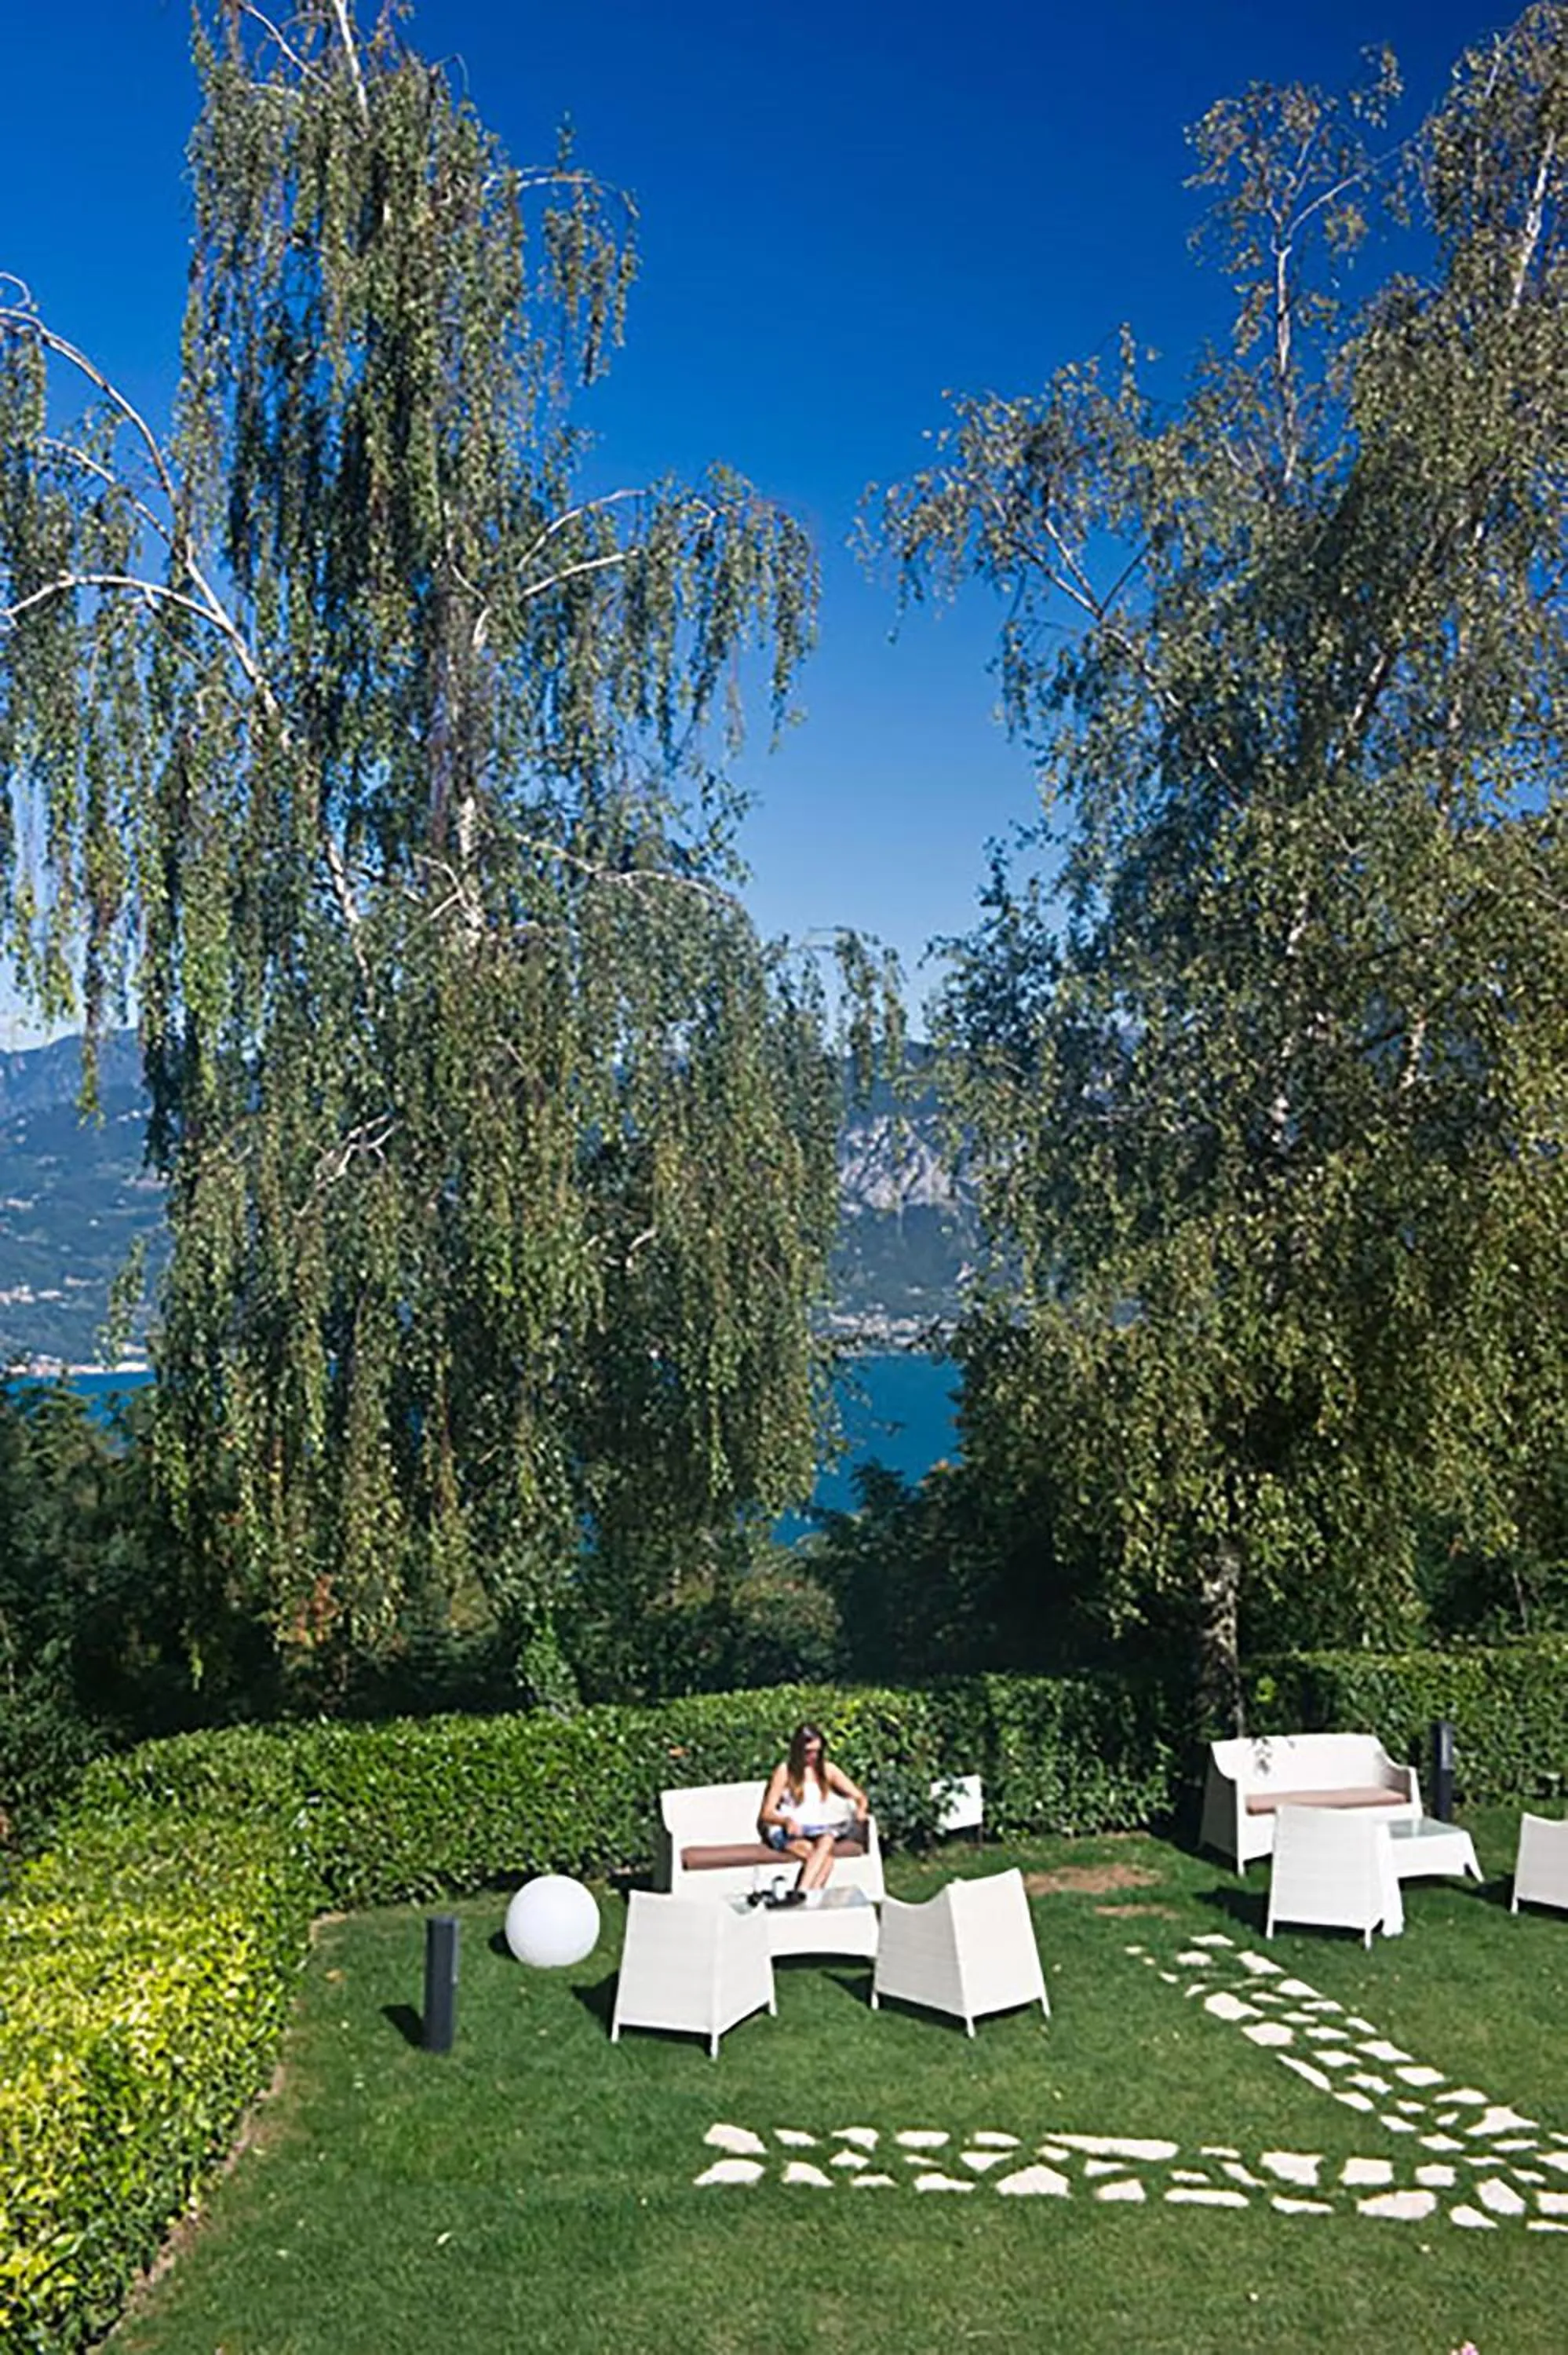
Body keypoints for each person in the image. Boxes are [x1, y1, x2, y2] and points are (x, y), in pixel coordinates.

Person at [757, 1722, 869, 1900]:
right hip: (788, 1830)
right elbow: (767, 1813)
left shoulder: (827, 1770)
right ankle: (808, 1901)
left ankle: (802, 1894)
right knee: (825, 1860)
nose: (813, 1757)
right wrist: (786, 1821)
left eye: (817, 1751)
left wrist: (861, 1810)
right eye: (808, 1752)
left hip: (815, 1829)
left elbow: (859, 1796)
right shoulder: (785, 1772)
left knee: (827, 1840)